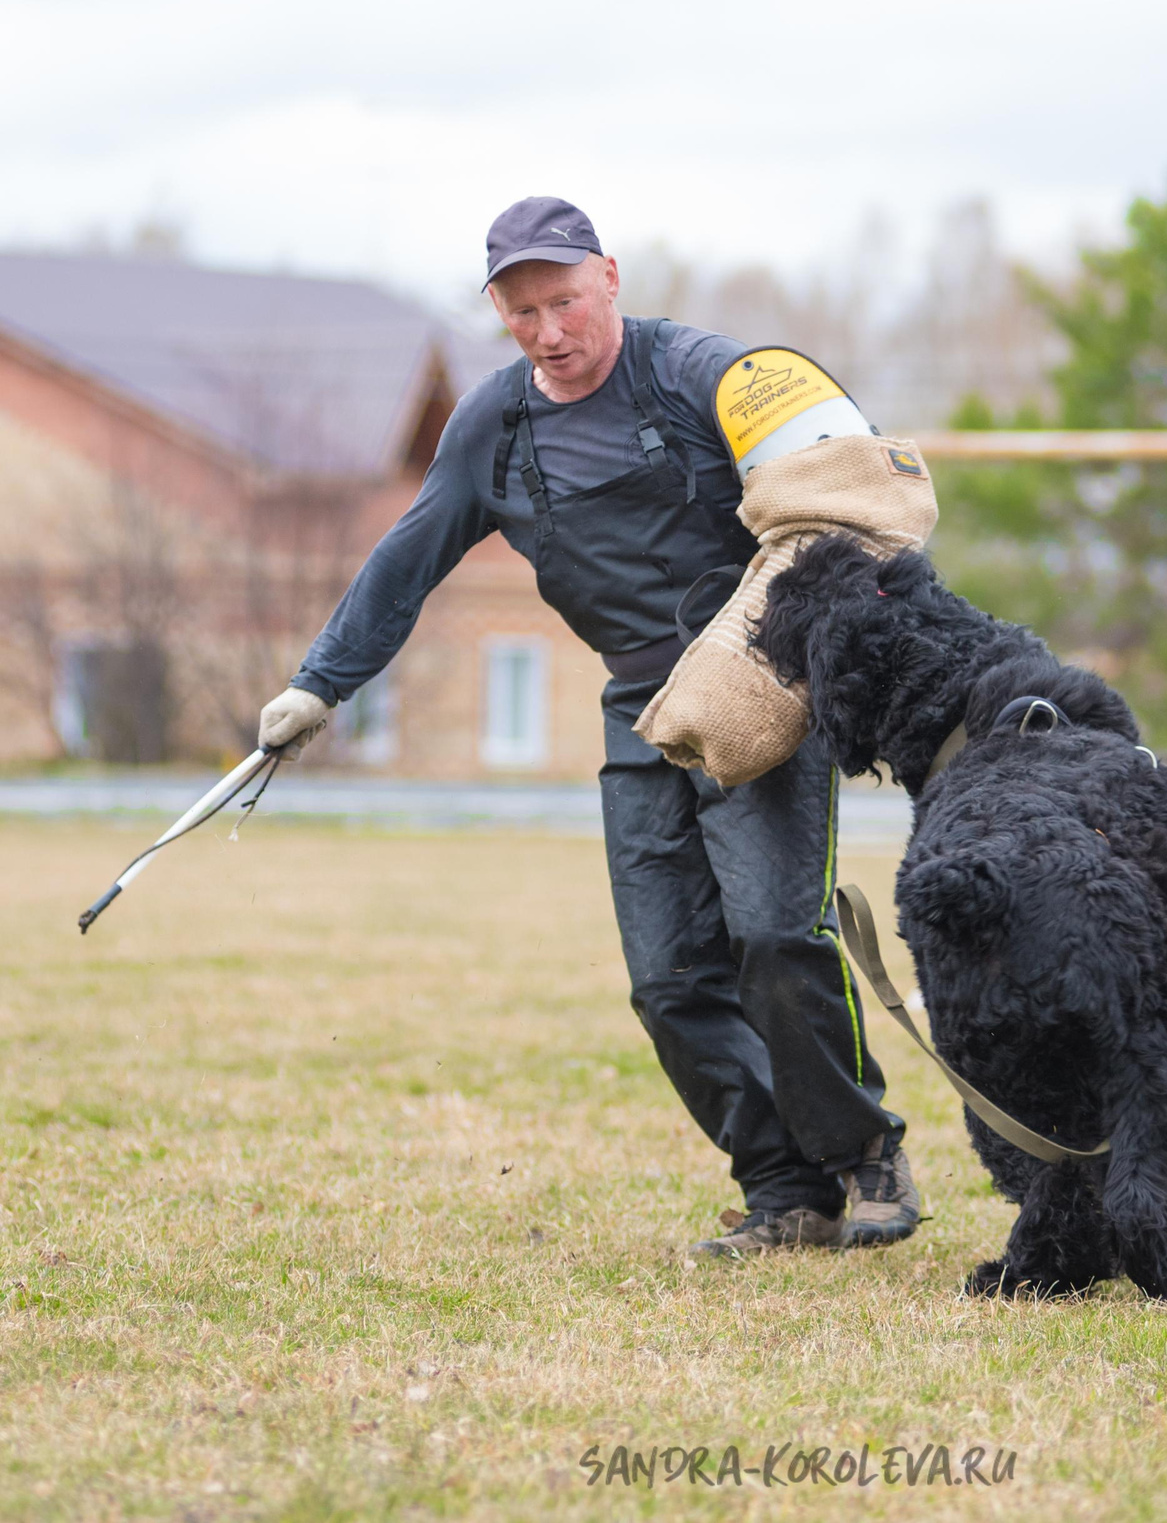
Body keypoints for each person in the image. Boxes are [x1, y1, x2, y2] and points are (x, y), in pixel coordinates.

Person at [257, 197, 917, 1258]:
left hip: (760, 689)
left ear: (609, 277)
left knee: (771, 935)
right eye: (521, 314)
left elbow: (840, 491)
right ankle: (783, 1189)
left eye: (563, 301)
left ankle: (862, 1151)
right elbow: (410, 553)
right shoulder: (493, 425)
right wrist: (321, 683)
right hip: (641, 706)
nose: (548, 332)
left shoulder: (702, 372)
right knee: (667, 980)